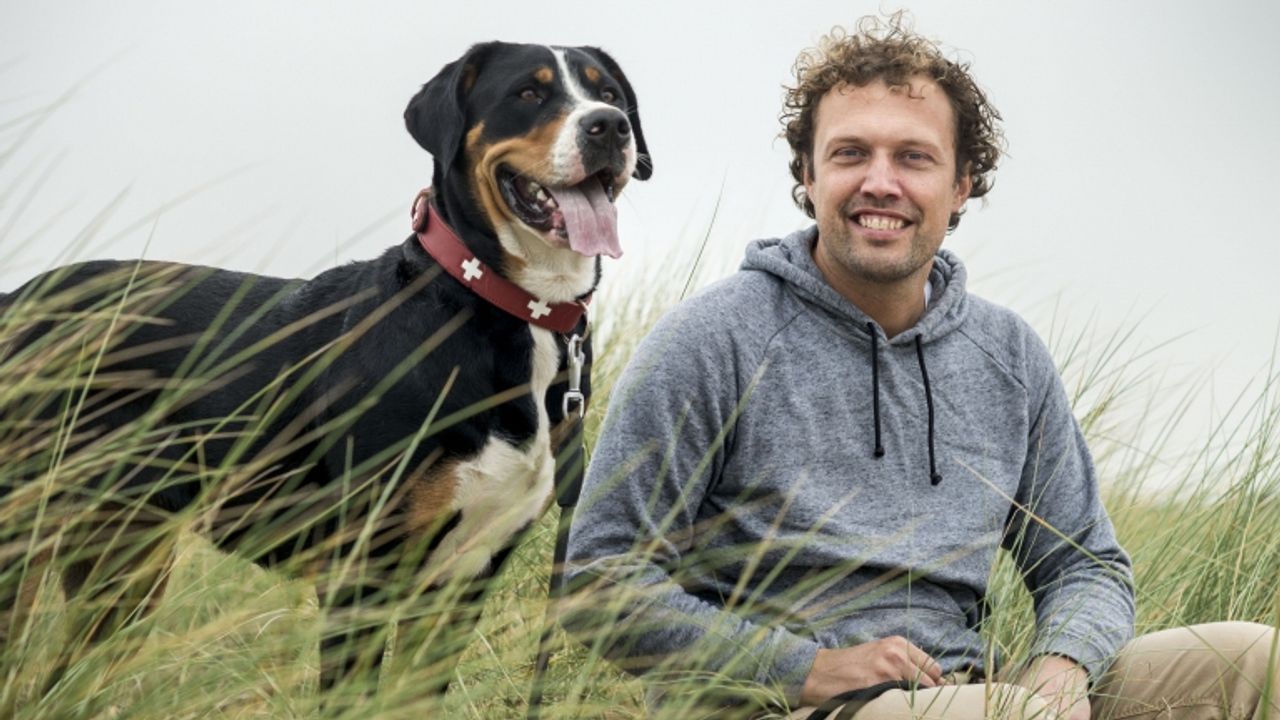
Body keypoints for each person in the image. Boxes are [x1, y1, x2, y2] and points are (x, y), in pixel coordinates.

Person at [563, 14, 1279, 720]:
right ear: (807, 175)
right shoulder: (711, 339)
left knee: (1256, 662)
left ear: (962, 183)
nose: (881, 182)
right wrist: (807, 668)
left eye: (914, 157)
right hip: (776, 704)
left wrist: (1061, 668)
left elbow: (1084, 563)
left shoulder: (1007, 355)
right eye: (850, 154)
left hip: (977, 693)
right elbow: (599, 582)